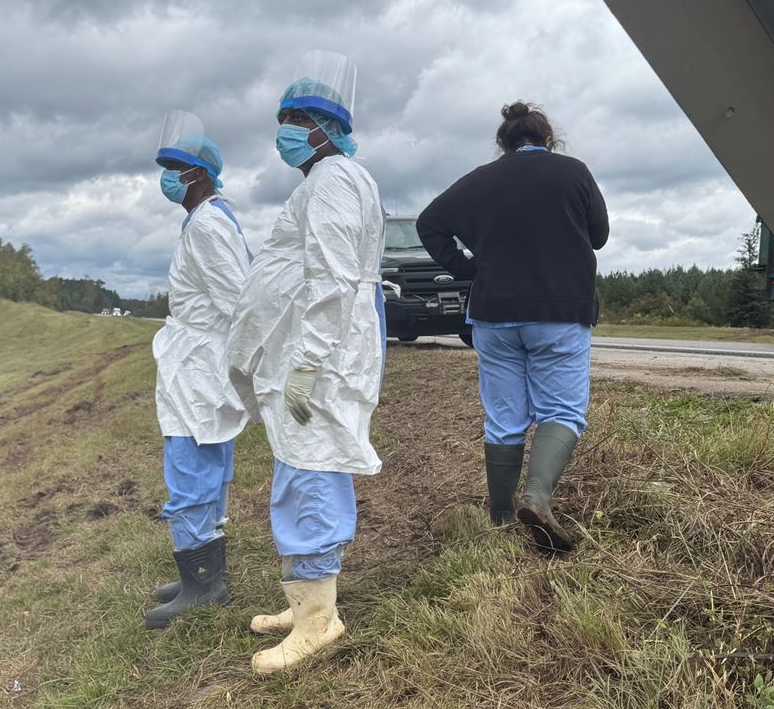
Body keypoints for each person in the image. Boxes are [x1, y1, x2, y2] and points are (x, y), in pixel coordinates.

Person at [227, 50, 385, 676]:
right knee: (303, 467)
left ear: (326, 128)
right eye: (282, 117)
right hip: (313, 351)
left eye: (296, 118)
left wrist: (310, 362)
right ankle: (308, 603)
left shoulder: (334, 181)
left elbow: (332, 278)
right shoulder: (328, 182)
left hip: (320, 355)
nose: (284, 129)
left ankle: (319, 621)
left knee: (309, 471)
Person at [417, 101, 609, 552]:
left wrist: (464, 267)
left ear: (503, 143)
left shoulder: (479, 180)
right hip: (560, 310)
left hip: (493, 313)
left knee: (504, 420)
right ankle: (537, 498)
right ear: (548, 139)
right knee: (561, 411)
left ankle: (502, 518)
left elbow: (429, 223)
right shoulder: (574, 172)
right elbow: (598, 236)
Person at [146, 110, 253, 629]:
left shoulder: (208, 224)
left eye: (177, 166)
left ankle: (202, 583)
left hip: (200, 365)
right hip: (199, 362)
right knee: (205, 464)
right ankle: (203, 570)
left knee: (189, 467)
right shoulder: (206, 220)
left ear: (200, 174)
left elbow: (236, 300)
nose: (168, 175)